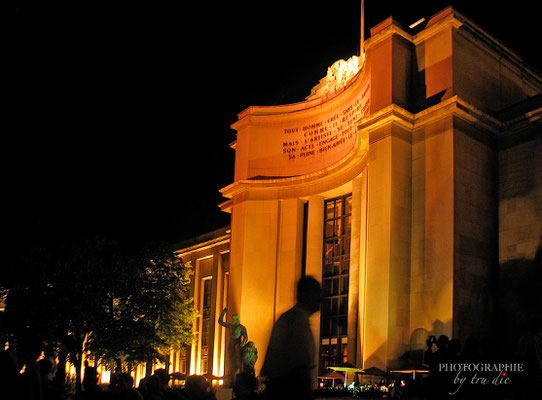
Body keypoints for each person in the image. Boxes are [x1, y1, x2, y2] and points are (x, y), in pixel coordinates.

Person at [260, 276, 322, 400]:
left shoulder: (291, 318)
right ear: (306, 294)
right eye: (317, 292)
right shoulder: (298, 320)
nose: (320, 298)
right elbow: (300, 365)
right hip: (288, 390)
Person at [219, 307, 248, 387]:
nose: (233, 320)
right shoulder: (231, 326)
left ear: (237, 319)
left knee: (238, 359)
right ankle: (231, 373)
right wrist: (223, 312)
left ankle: (239, 373)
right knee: (231, 360)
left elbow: (245, 336)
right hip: (231, 344)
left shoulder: (241, 327)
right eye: (232, 319)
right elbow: (220, 322)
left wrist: (243, 343)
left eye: (234, 319)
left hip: (237, 344)